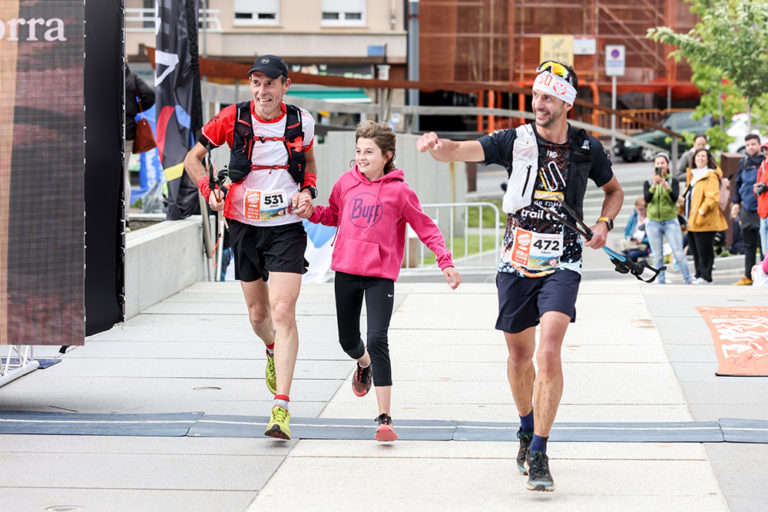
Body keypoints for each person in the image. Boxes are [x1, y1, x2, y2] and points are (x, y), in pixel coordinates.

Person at [416, 61, 623, 492]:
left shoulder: (588, 147)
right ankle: (526, 428)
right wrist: (437, 146)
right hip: (516, 259)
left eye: (548, 97)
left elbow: (614, 191)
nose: (538, 104)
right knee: (519, 356)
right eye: (535, 96)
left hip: (564, 259)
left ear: (566, 102)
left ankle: (541, 452)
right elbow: (459, 150)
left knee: (549, 351)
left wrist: (604, 223)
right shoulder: (515, 140)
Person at [299, 121, 461, 442]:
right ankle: (364, 364)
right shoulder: (346, 182)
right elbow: (334, 214)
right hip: (346, 271)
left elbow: (426, 227)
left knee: (377, 339)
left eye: (369, 152)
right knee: (349, 341)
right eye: (359, 151)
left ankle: (385, 417)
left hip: (380, 276)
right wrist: (311, 213)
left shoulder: (400, 192)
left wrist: (445, 260)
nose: (361, 157)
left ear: (387, 156)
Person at [183, 55, 317, 440]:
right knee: (259, 315)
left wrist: (308, 190)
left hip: (286, 227)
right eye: (256, 83)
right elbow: (193, 159)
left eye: (269, 83)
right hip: (243, 226)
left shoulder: (302, 121)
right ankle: (271, 347)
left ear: (285, 85)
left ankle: (281, 407)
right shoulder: (233, 117)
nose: (262, 91)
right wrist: (209, 190)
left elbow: (309, 160)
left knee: (283, 309)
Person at [644, 153, 693, 284]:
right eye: (658, 163)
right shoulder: (648, 182)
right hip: (653, 222)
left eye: (663, 163)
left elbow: (674, 198)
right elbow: (647, 199)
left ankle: (688, 280)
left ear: (667, 165)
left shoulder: (673, 181)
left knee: (679, 253)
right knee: (657, 256)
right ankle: (661, 282)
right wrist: (654, 185)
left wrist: (665, 185)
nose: (660, 165)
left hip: (670, 221)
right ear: (654, 166)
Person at [684, 148, 726, 284]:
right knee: (696, 250)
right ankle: (698, 274)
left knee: (705, 250)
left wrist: (701, 212)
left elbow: (712, 198)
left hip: (705, 220)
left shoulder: (710, 175)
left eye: (703, 156)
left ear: (708, 159)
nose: (700, 158)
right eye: (698, 156)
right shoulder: (693, 175)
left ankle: (706, 276)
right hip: (692, 220)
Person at [731, 133, 764, 285]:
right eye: (748, 145)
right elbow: (738, 183)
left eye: (753, 144)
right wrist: (736, 203)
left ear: (759, 145)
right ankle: (748, 276)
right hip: (746, 208)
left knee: (764, 246)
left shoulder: (764, 161)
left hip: (762, 209)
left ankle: (764, 276)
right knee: (748, 245)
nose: (750, 147)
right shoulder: (743, 162)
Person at [124, 65, 155, 211]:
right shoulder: (131, 75)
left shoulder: (104, 73)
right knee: (123, 174)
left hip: (106, 130)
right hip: (128, 129)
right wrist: (132, 109)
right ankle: (125, 216)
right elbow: (149, 95)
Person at [621, 197, 650, 262]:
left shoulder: (650, 219)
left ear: (646, 208)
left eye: (641, 209)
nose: (639, 211)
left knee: (631, 254)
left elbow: (653, 238)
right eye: (637, 209)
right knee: (624, 253)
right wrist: (628, 237)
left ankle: (632, 266)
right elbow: (627, 232)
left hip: (644, 246)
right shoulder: (633, 216)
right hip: (632, 244)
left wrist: (642, 240)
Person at [754, 141, 768, 257]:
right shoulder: (762, 166)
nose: (766, 152)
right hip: (763, 212)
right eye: (765, 149)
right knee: (765, 253)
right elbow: (756, 190)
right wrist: (757, 189)